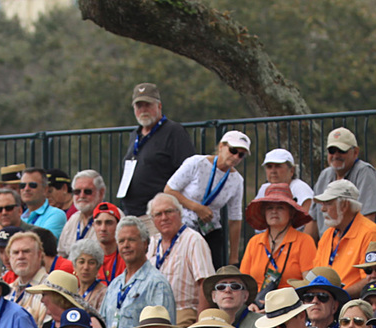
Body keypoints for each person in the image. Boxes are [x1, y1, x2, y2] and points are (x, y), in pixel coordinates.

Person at [165, 130, 250, 258]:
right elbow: (169, 190)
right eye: (233, 150)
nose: (236, 157)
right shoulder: (196, 163)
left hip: (210, 230)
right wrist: (197, 207)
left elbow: (235, 218)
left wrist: (233, 256)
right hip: (181, 224)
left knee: (211, 270)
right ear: (221, 147)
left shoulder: (237, 180)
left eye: (241, 155)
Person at [120, 83, 195, 217]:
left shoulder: (174, 132)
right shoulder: (135, 135)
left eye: (148, 105)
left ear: (159, 106)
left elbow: (189, 172)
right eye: (139, 106)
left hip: (158, 214)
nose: (143, 110)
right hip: (131, 213)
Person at [101, 216, 176, 328]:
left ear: (145, 243)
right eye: (121, 241)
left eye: (132, 240)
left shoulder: (157, 283)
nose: (126, 245)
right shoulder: (114, 285)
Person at [312, 180, 376, 292]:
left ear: (344, 205)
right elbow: (315, 273)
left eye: (328, 203)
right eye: (322, 204)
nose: (322, 209)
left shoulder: (370, 233)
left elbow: (372, 279)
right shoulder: (328, 234)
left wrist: (339, 296)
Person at [147, 193, 214, 318]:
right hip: (153, 313)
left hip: (182, 312)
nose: (164, 218)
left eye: (168, 212)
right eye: (158, 214)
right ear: (152, 220)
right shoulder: (151, 243)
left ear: (179, 213)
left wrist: (200, 324)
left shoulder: (193, 240)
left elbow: (205, 283)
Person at [240, 184, 316, 295]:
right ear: (264, 212)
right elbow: (244, 282)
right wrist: (251, 304)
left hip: (291, 304)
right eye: (270, 207)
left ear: (291, 213)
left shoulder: (304, 241)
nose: (274, 211)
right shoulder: (254, 242)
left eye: (280, 207)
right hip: (257, 304)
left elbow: (309, 283)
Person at [311, 128, 376, 234]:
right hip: (330, 245)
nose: (336, 155)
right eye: (332, 151)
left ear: (355, 152)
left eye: (342, 151)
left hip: (362, 245)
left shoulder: (365, 173)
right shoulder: (324, 175)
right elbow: (313, 220)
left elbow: (368, 220)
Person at [58, 170, 107, 259]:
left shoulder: (112, 217)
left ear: (101, 193)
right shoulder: (73, 219)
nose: (82, 195)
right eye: (77, 192)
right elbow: (61, 254)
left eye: (87, 191)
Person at [17, 167, 67, 239]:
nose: (26, 189)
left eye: (32, 185)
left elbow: (43, 244)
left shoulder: (56, 215)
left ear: (45, 189)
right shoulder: (21, 216)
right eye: (22, 185)